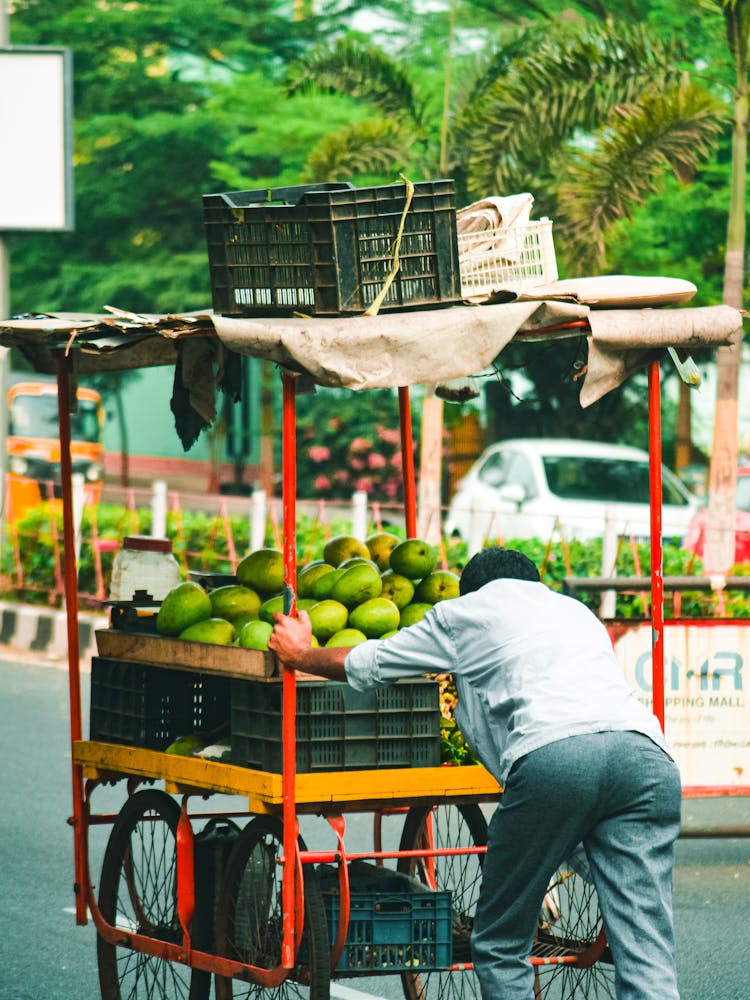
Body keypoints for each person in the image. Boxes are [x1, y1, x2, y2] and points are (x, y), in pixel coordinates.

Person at [270, 546, 682, 1000]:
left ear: (471, 592)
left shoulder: (463, 612)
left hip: (556, 757)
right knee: (645, 944)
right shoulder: (575, 612)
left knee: (501, 942)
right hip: (648, 759)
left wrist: (302, 653)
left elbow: (373, 662)